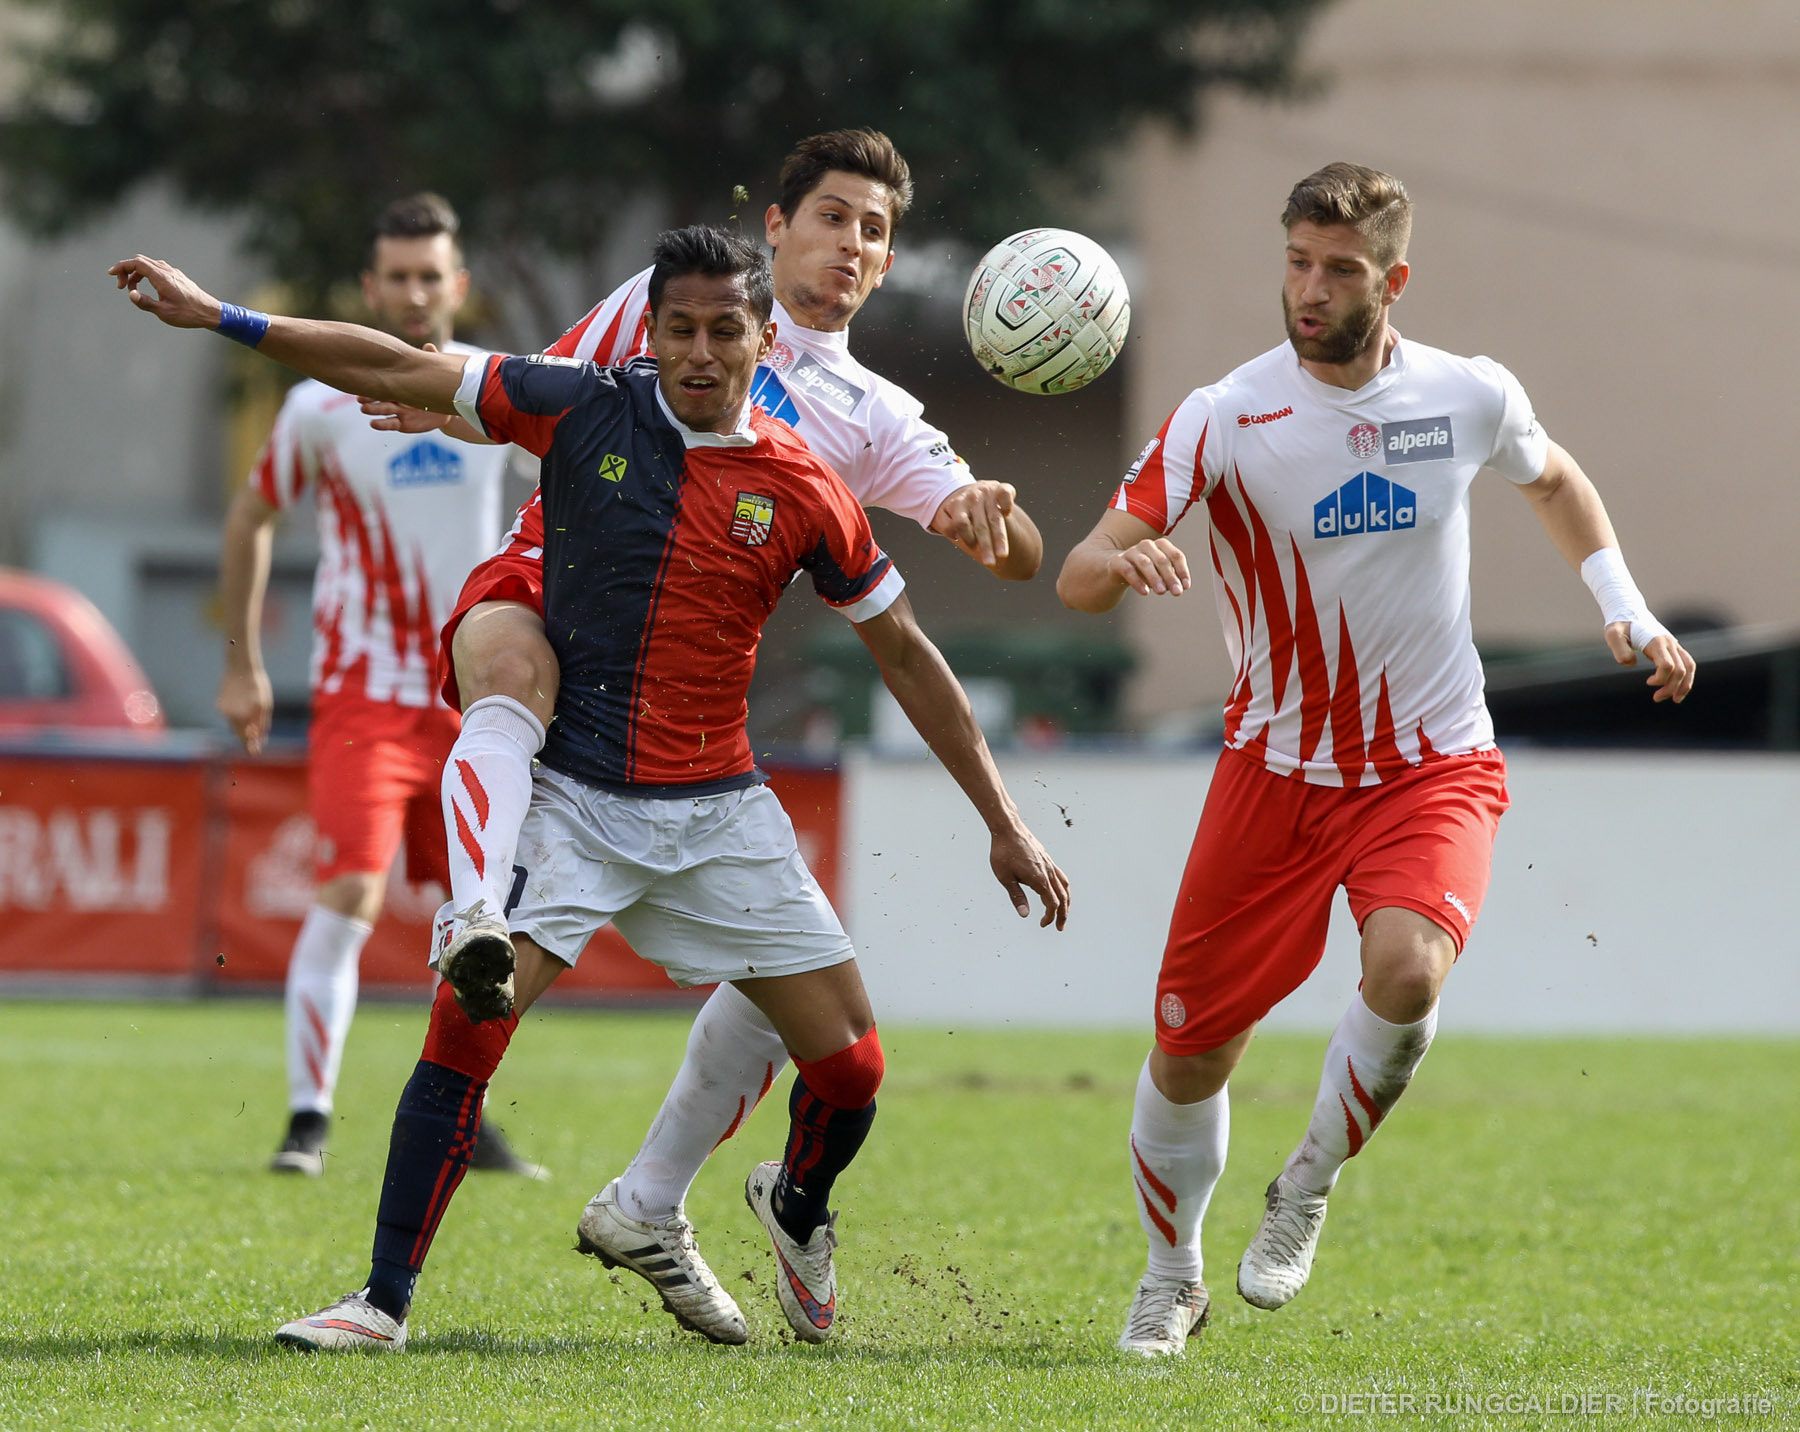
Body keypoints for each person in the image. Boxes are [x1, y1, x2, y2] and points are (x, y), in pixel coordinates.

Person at [111, 224, 1070, 1352]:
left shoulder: (808, 487)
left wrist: (1004, 822)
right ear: (650, 332)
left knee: (853, 1068)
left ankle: (794, 1205)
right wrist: (222, 314)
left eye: (726, 331)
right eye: (680, 330)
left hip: (719, 813)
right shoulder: (579, 404)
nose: (701, 353)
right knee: (470, 1020)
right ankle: (379, 1303)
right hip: (576, 800)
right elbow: (392, 363)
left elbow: (906, 651)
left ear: (766, 341)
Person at [368, 129, 1051, 1333]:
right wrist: (436, 397)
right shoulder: (671, 298)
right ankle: (386, 1280)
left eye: (875, 231)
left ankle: (658, 1200)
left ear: (888, 266)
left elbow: (986, 558)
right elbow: (532, 389)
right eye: (832, 216)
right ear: (776, 227)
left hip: (696, 735)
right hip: (554, 620)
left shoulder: (872, 416)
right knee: (506, 687)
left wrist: (1003, 519)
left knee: (808, 1013)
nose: (851, 244)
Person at [1056, 162, 1696, 1358]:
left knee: (1407, 971)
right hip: (1275, 769)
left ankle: (1304, 1184)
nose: (1309, 287)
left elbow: (1553, 478)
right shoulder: (1222, 415)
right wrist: (1124, 565)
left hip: (1431, 762)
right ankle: (1171, 1271)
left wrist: (1625, 603)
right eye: (1297, 261)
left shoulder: (1467, 393)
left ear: (1392, 280)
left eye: (1339, 269)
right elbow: (1082, 567)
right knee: (1191, 1048)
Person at [215, 193, 543, 1180]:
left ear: (459, 287)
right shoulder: (319, 404)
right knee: (353, 888)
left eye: (427, 275)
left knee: (480, 919)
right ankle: (309, 1119)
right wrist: (241, 661)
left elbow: (562, 507)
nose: (411, 292)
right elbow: (250, 518)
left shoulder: (497, 400)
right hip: (361, 695)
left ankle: (464, 1119)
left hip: (468, 701)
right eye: (394, 276)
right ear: (369, 287)